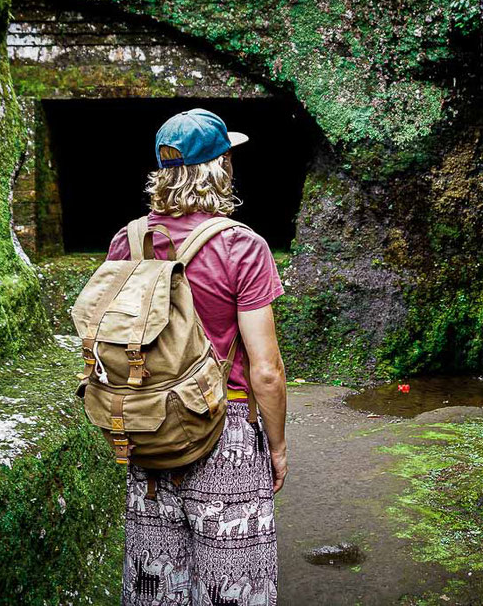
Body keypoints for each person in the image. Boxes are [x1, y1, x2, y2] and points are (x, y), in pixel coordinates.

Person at [105, 108, 288, 606]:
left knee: (158, 584)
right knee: (233, 587)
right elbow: (266, 369)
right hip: (221, 429)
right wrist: (275, 447)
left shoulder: (129, 240)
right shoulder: (242, 247)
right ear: (220, 167)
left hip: (149, 428)